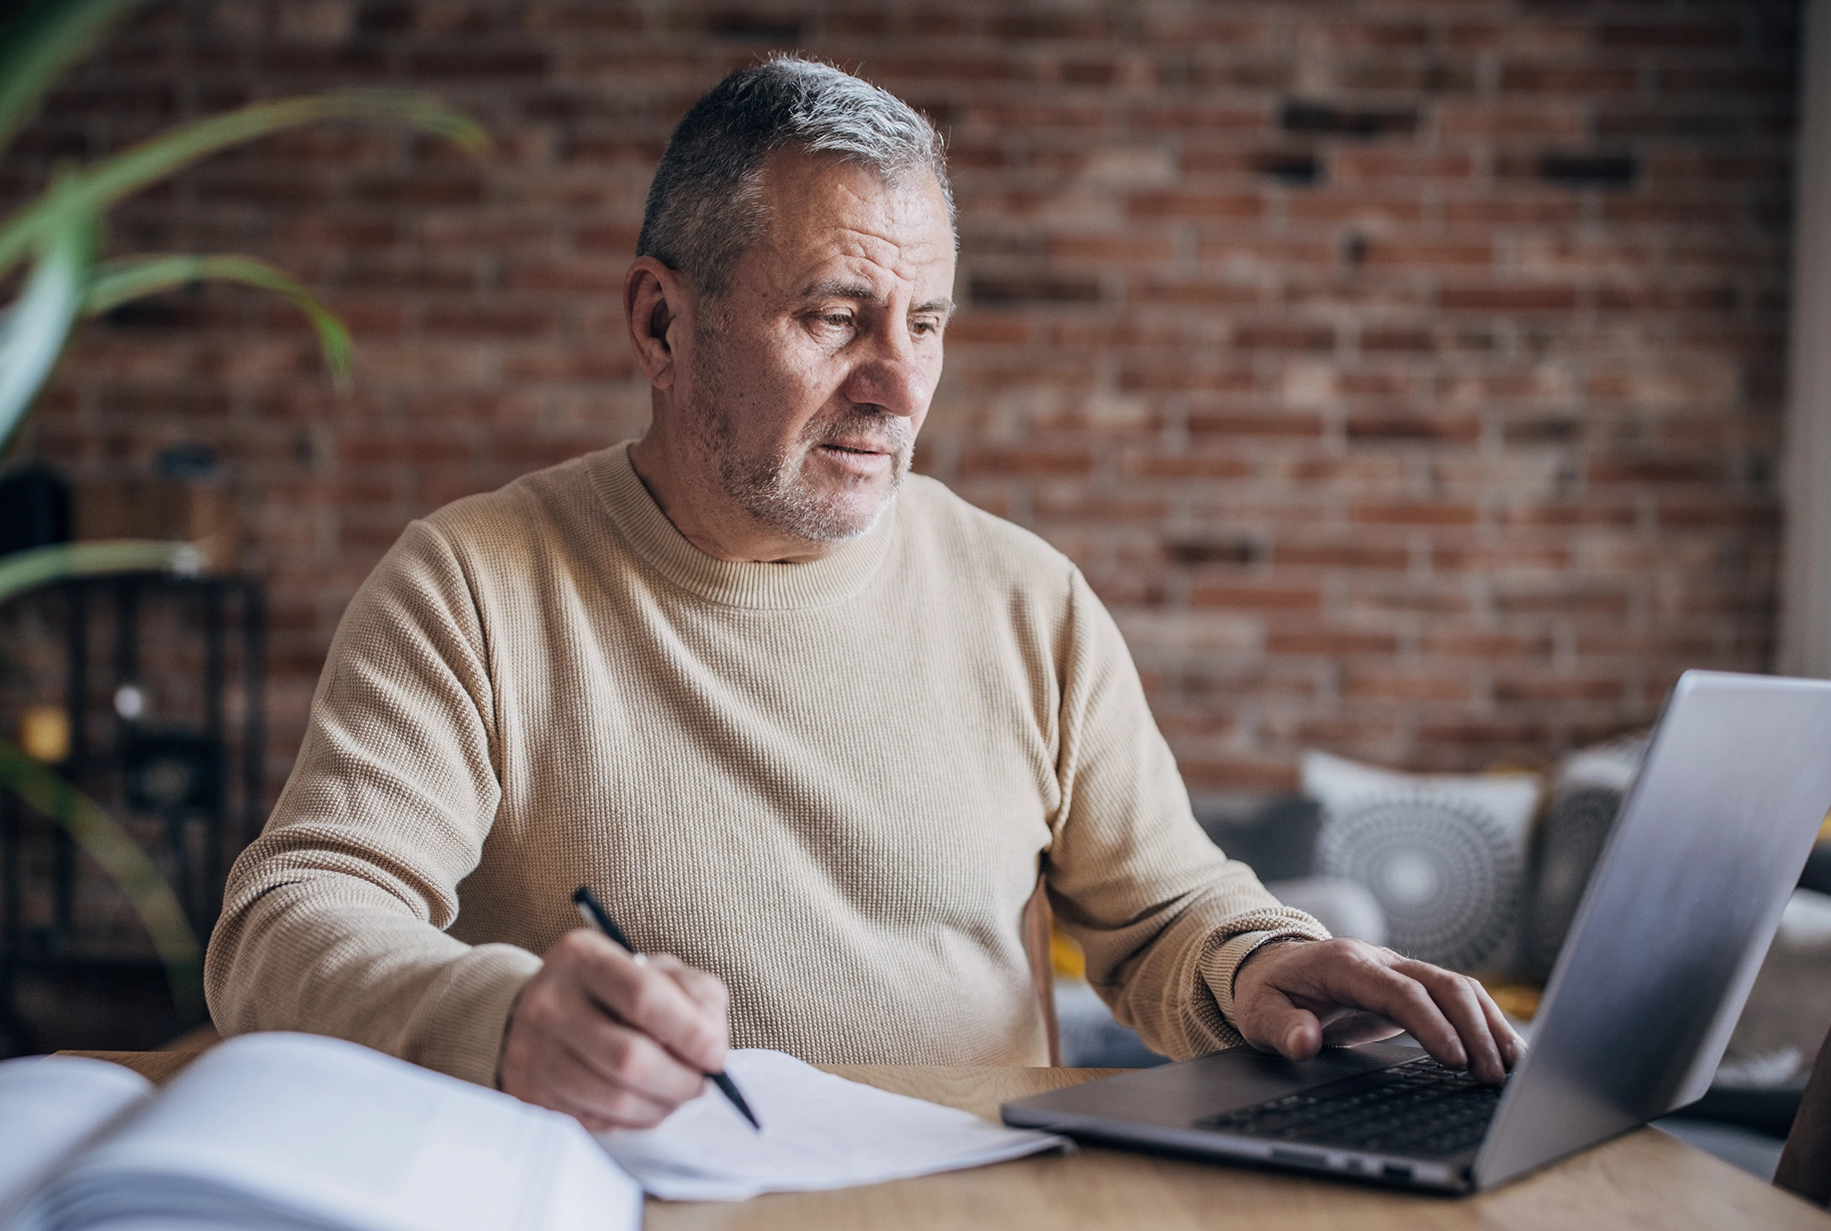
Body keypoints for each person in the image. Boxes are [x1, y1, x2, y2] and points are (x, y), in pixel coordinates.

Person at [206, 58, 1523, 1131]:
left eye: (929, 322)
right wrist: (498, 1022)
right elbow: (287, 923)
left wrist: (1257, 961)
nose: (899, 387)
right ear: (663, 327)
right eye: (837, 316)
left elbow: (1165, 908)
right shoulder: (475, 587)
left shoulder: (1027, 597)